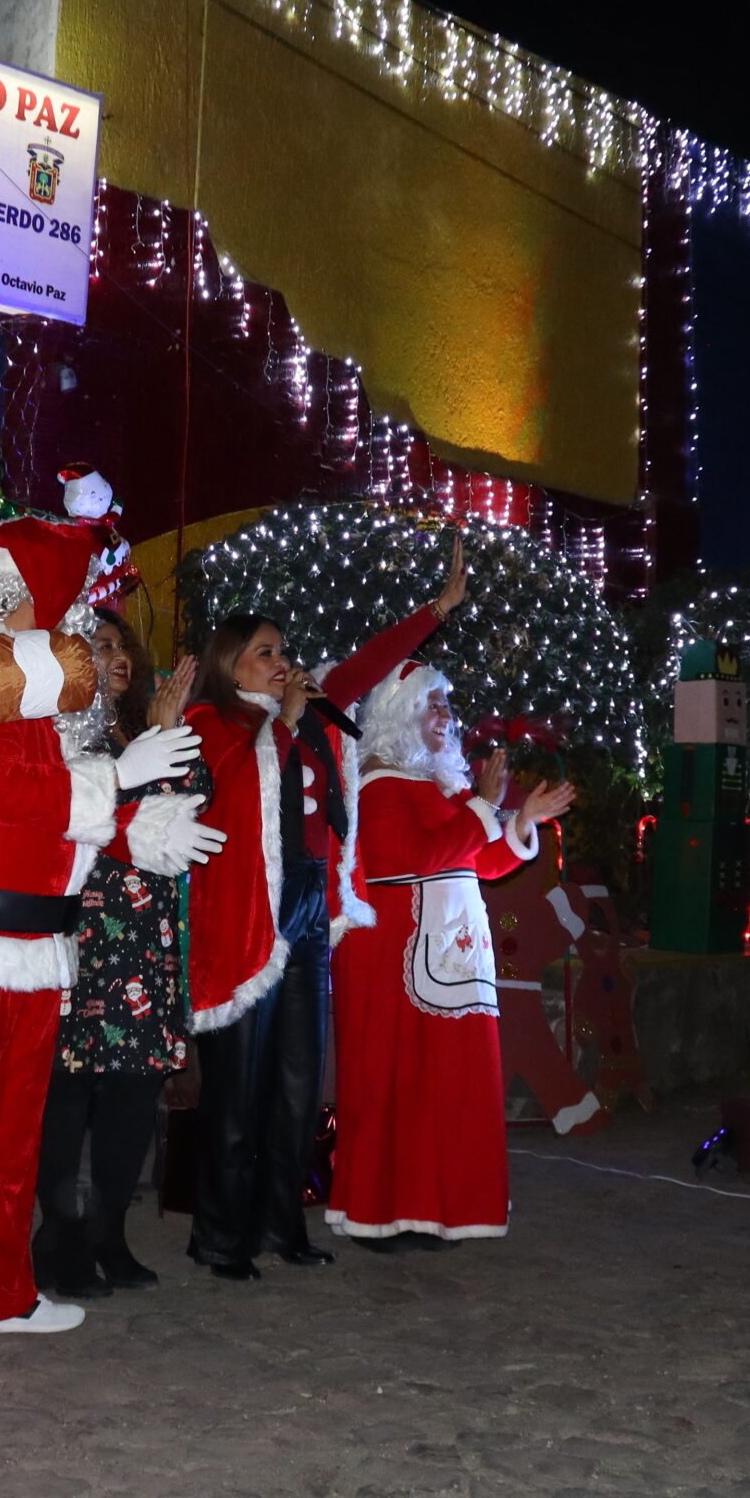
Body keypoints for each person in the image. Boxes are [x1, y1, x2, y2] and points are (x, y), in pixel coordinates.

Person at [0, 517, 222, 1353]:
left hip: (39, 947)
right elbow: (7, 790)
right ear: (23, 599)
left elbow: (63, 805)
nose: (81, 626)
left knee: (11, 1136)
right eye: (70, 605)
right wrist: (126, 774)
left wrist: (137, 828)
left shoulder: (45, 703)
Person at [182, 535, 467, 1281]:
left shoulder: (309, 717)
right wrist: (281, 720)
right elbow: (233, 794)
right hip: (249, 911)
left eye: (284, 650)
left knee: (299, 1081)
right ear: (231, 664)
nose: (283, 662)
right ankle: (221, 1236)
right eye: (266, 652)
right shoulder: (212, 723)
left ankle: (283, 1224)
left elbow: (367, 665)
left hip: (309, 902)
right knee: (239, 1087)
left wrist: (436, 610)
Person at [328, 661, 573, 1249]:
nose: (446, 715)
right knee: (400, 1085)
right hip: (396, 957)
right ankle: (383, 1214)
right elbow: (410, 857)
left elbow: (480, 861)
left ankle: (442, 1211)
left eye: (446, 703)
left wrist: (521, 822)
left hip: (452, 954)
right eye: (432, 703)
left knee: (451, 1088)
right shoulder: (379, 781)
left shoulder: (445, 784)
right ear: (398, 713)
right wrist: (485, 809)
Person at [34, 615, 208, 1298]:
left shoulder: (148, 726)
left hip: (144, 936)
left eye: (122, 646)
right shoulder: (58, 730)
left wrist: (162, 735)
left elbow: (197, 801)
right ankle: (60, 1233)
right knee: (67, 1087)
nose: (117, 657)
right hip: (76, 927)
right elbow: (67, 810)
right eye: (98, 646)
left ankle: (110, 1228)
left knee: (135, 1089)